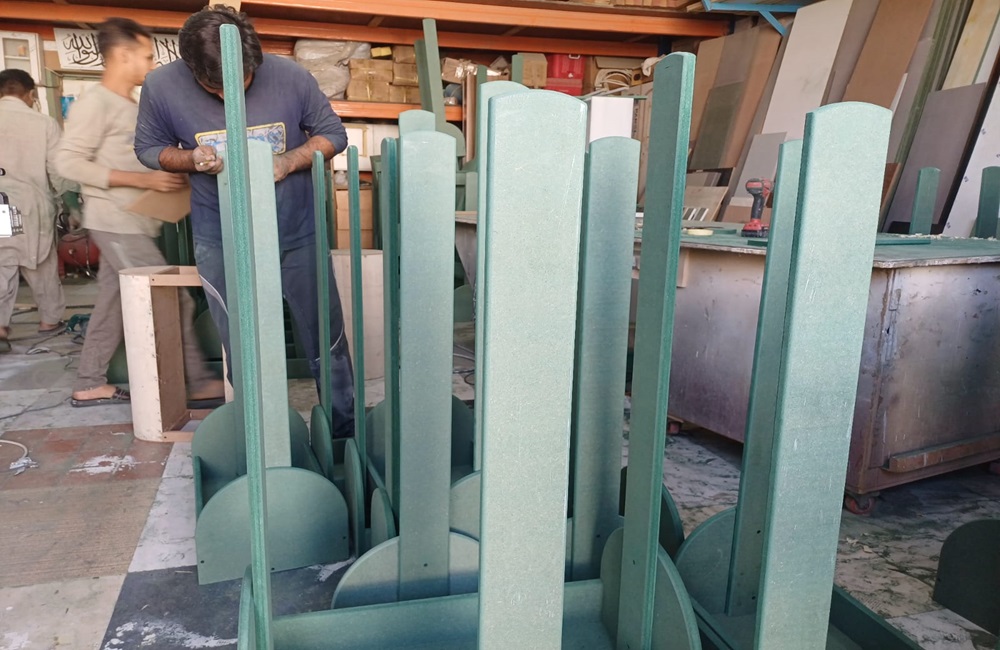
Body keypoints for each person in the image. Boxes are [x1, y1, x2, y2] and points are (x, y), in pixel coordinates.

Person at [133, 5, 355, 437]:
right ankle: (261, 437)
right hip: (220, 237)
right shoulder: (162, 86)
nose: (226, 97)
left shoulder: (290, 76)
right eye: (213, 88)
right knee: (241, 344)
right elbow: (148, 148)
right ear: (190, 69)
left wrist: (289, 160)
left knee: (326, 339)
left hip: (297, 232)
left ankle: (343, 433)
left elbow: (334, 134)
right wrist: (191, 159)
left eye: (242, 82)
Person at [57, 18, 223, 407]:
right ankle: (198, 383)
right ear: (123, 55)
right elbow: (66, 162)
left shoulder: (131, 104)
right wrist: (143, 180)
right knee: (171, 298)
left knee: (113, 303)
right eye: (147, 56)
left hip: (133, 221)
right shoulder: (95, 102)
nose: (152, 63)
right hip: (116, 222)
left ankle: (89, 382)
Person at [0, 69, 76, 353]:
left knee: (3, 262)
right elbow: (58, 170)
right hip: (30, 205)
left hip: (1, 205)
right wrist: (70, 205)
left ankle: (0, 326)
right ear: (30, 94)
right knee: (41, 262)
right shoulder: (43, 123)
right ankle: (49, 320)